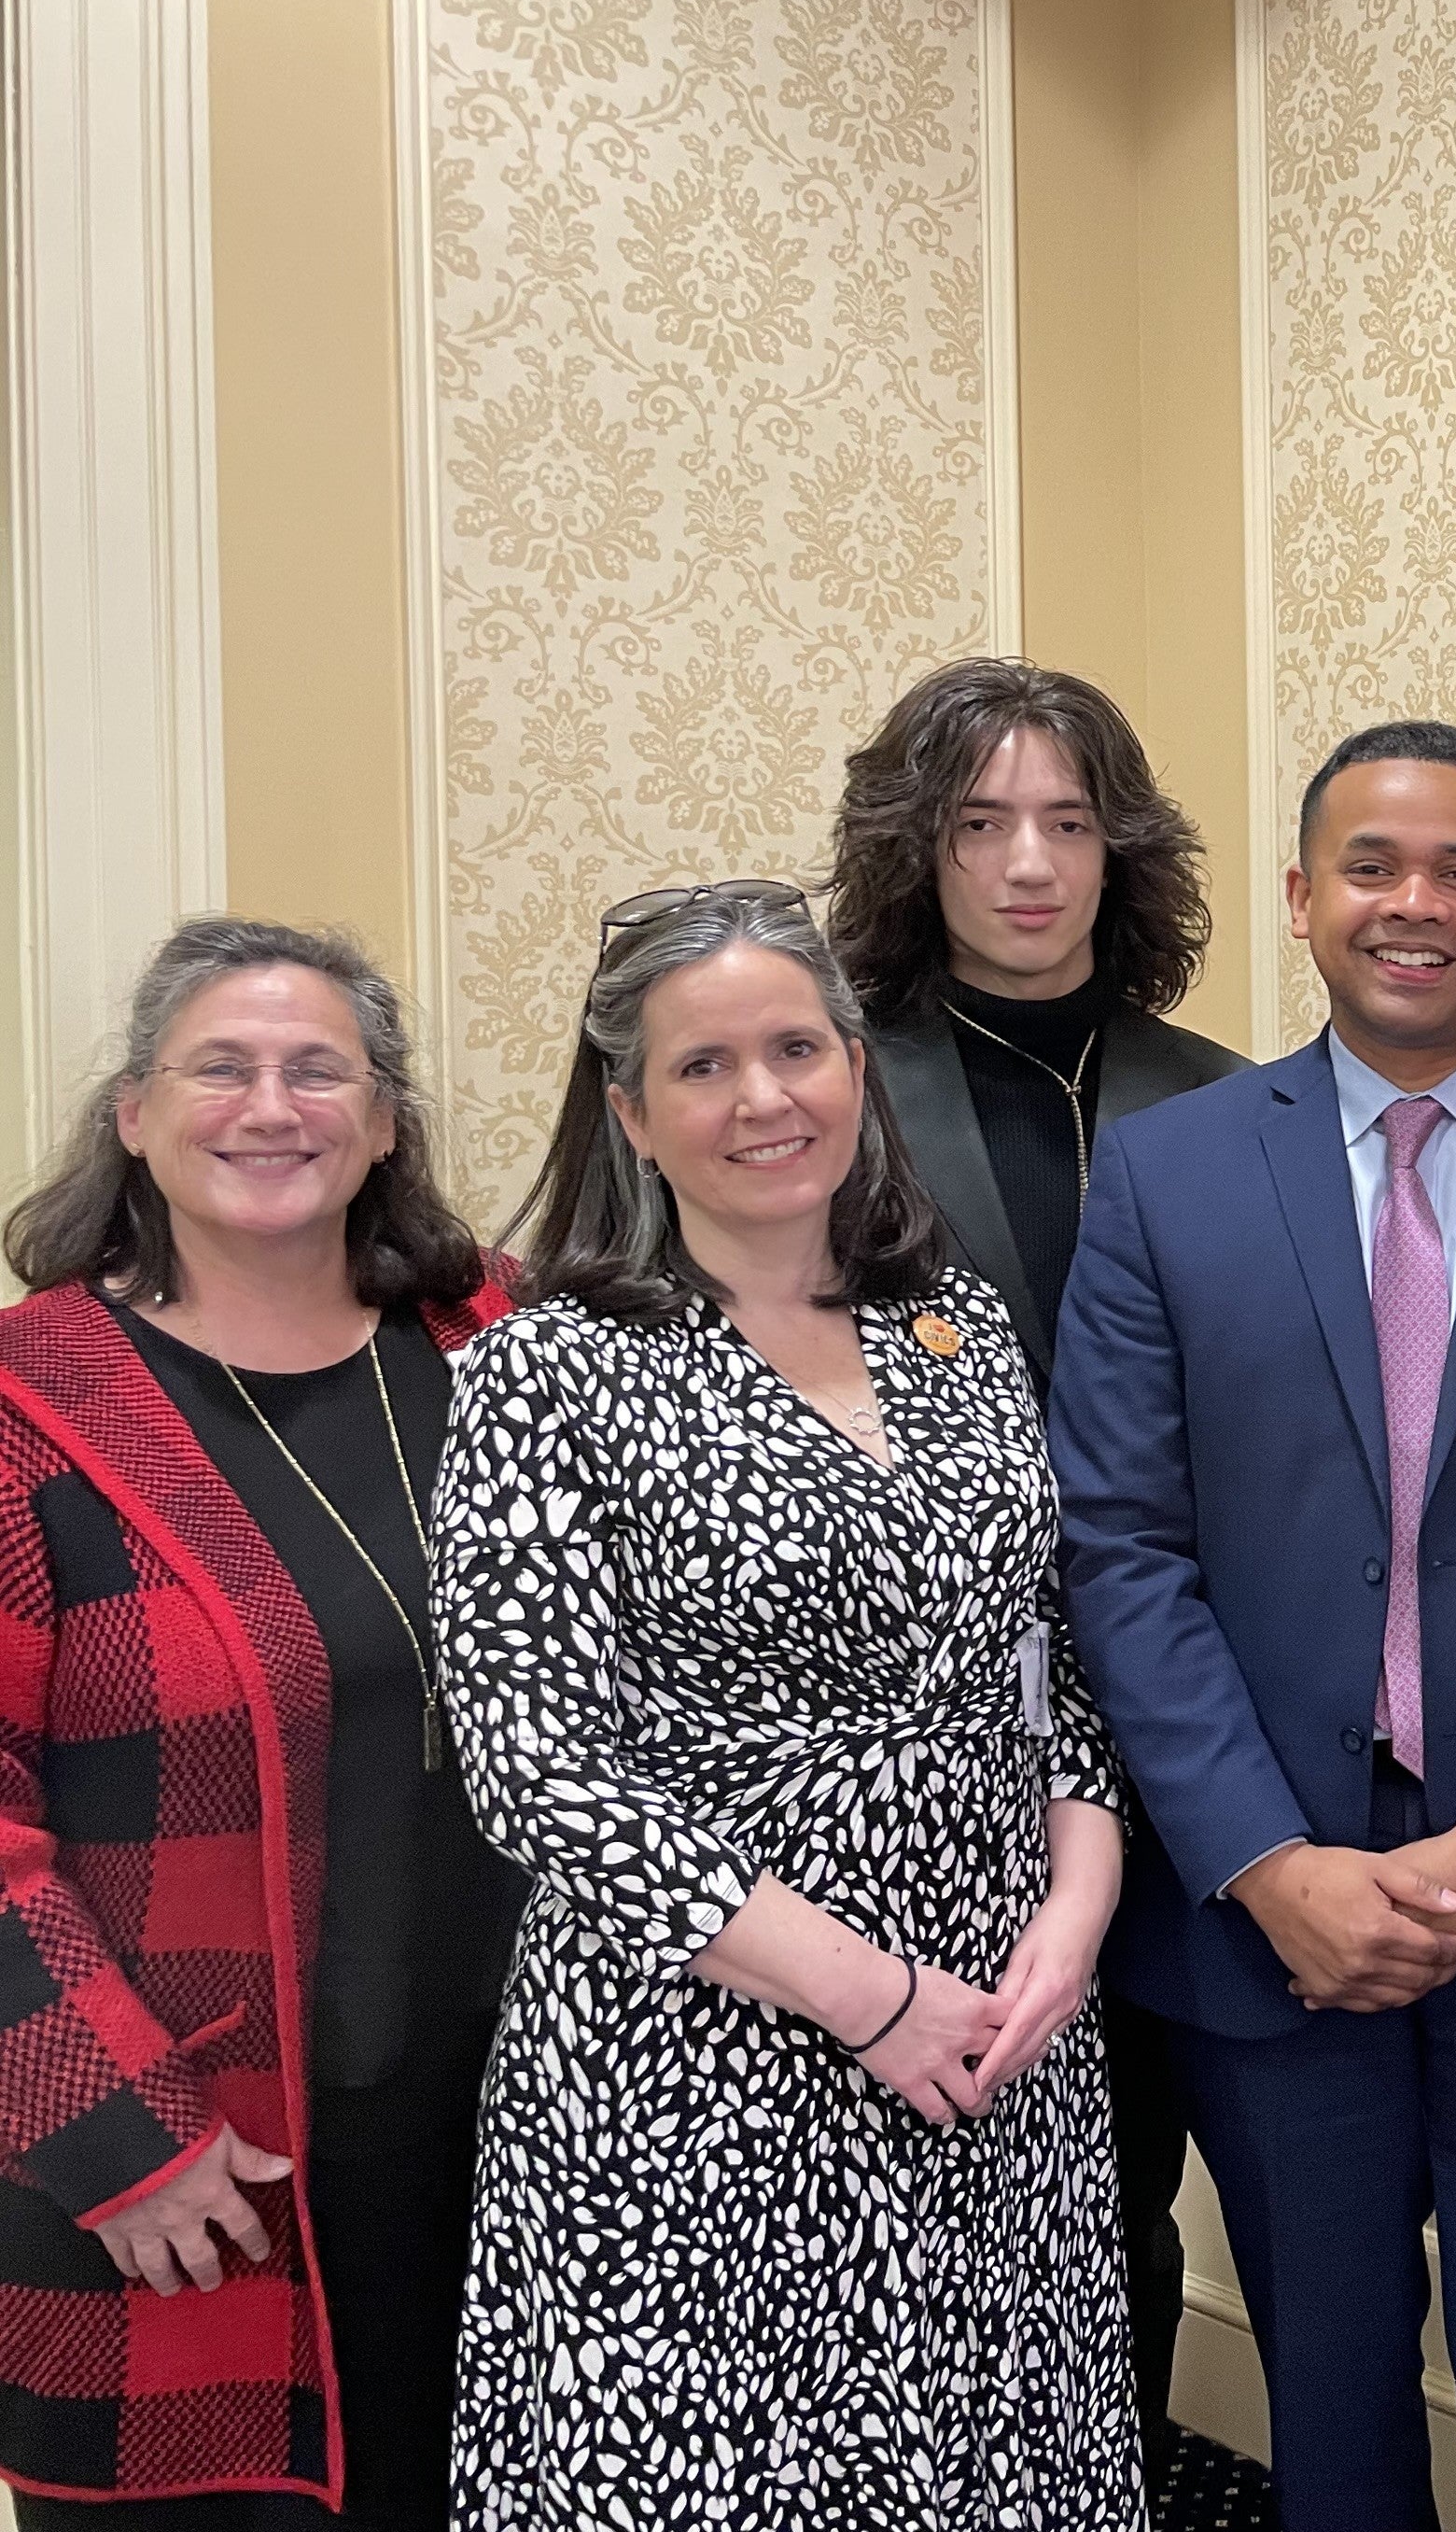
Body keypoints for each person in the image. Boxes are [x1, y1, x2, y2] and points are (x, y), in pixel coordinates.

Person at [1053, 721, 1456, 2532]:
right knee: (1332, 2445)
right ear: (1302, 898)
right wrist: (1268, 1861)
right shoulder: (1170, 1175)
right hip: (1270, 1939)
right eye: (1370, 867)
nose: (1413, 906)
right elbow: (1121, 1547)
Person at [430, 882, 1139, 2529]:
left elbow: (1054, 1659)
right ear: (630, 1111)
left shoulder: (953, 1335)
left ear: (854, 1069)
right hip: (699, 2080)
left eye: (797, 1048)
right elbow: (538, 1773)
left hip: (995, 2041)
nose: (763, 1099)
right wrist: (868, 1998)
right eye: (703, 1067)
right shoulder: (550, 1373)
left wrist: (1080, 1909)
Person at [0, 921, 517, 2526]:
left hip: (523, 2143)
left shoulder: (502, 1352)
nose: (271, 1107)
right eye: (218, 1067)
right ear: (136, 1115)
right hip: (205, 2168)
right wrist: (113, 2130)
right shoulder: (29, 1411)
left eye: (320, 1072)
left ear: (382, 1125)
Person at [826, 654, 1245, 2442]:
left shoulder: (1227, 1094)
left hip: (1207, 1719)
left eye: (1067, 823)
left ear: (1120, 849)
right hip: (948, 1739)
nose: (1027, 864)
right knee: (959, 2183)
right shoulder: (830, 1089)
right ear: (915, 852)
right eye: (981, 823)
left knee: (1134, 2176)